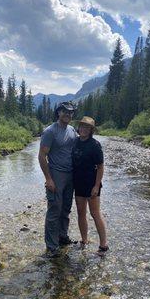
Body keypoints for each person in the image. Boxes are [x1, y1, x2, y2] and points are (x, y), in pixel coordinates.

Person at [38, 101, 78, 257]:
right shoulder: (50, 131)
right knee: (54, 209)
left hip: (71, 175)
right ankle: (51, 246)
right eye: (65, 112)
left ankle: (62, 237)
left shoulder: (72, 130)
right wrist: (48, 179)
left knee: (66, 209)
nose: (68, 114)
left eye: (71, 112)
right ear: (58, 113)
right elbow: (42, 155)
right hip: (56, 174)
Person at [72, 116, 109, 254]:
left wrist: (96, 186)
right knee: (81, 213)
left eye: (87, 127)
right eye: (82, 126)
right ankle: (84, 239)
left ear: (91, 130)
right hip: (78, 183)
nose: (83, 129)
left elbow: (100, 167)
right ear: (79, 128)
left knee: (95, 213)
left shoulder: (95, 145)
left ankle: (103, 244)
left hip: (92, 184)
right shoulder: (75, 142)